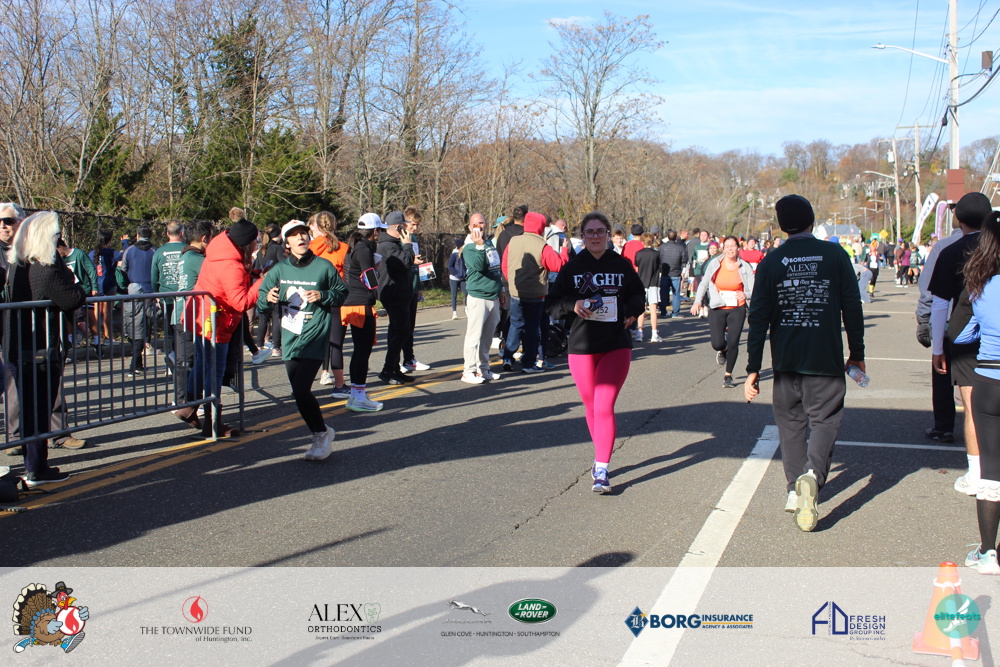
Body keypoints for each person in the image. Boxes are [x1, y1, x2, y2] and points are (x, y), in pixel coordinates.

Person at [744, 195, 865, 532]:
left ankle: (793, 488)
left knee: (790, 424)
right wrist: (857, 352)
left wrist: (753, 368)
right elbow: (852, 307)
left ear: (782, 225)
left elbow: (759, 317)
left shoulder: (772, 261)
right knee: (825, 419)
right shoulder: (835, 255)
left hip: (785, 362)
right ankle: (812, 475)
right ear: (812, 220)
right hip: (824, 358)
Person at [546, 212, 645, 494]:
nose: (595, 237)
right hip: (582, 347)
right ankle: (600, 452)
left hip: (616, 344)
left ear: (608, 234)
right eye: (589, 232)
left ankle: (602, 468)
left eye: (600, 231)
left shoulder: (621, 265)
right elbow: (552, 304)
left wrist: (631, 312)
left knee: (603, 406)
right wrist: (573, 305)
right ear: (582, 236)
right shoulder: (572, 267)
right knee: (591, 407)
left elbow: (638, 295)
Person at [7, 212, 87, 486]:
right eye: (56, 234)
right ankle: (35, 468)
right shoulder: (46, 267)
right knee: (39, 409)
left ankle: (36, 465)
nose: (58, 239)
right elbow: (72, 298)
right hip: (40, 349)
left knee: (33, 409)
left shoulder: (18, 264)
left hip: (20, 347)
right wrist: (70, 277)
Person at [258, 220, 347, 461]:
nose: (300, 238)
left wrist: (323, 295)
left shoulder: (324, 266)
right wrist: (268, 298)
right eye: (294, 235)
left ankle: (320, 435)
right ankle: (323, 431)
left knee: (300, 389)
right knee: (299, 393)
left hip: (315, 334)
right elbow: (261, 302)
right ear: (287, 242)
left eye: (304, 234)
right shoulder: (279, 270)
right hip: (290, 337)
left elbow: (342, 293)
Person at [928, 192, 993, 495]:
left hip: (966, 335)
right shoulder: (996, 247)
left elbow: (940, 304)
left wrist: (938, 348)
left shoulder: (951, 251)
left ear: (959, 220)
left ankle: (977, 473)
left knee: (972, 404)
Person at [182, 217, 264, 438]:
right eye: (256, 241)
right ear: (246, 243)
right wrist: (263, 283)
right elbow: (241, 302)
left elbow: (231, 281)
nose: (257, 245)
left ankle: (188, 406)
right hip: (216, 322)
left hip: (203, 316)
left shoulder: (221, 249)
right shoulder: (231, 264)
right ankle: (212, 422)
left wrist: (254, 275)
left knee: (202, 363)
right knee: (215, 371)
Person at [956, 209, 1000, 574]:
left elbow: (962, 334)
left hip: (989, 380)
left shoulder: (980, 285)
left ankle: (987, 553)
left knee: (991, 470)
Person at [502, 211, 569, 373]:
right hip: (536, 294)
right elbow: (558, 265)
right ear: (540, 227)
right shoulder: (541, 245)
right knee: (532, 329)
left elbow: (505, 264)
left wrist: (511, 282)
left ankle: (508, 357)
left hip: (516, 291)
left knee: (516, 325)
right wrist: (564, 250)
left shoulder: (514, 241)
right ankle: (528, 363)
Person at [916, 226, 963, 444]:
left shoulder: (944, 247)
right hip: (985, 325)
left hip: (947, 321)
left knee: (943, 372)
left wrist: (923, 319)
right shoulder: (993, 243)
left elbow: (929, 289)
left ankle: (944, 427)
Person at [692, 236, 755, 388]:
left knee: (734, 342)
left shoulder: (745, 267)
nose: (730, 249)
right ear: (723, 248)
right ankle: (723, 349)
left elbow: (755, 289)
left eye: (733, 246)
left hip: (737, 308)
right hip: (718, 306)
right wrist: (697, 301)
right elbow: (704, 283)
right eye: (727, 246)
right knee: (717, 343)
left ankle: (728, 375)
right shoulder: (715, 263)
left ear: (738, 248)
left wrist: (745, 294)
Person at [171, 221, 214, 429]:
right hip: (191, 315)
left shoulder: (184, 256)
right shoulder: (198, 259)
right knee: (194, 362)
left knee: (188, 361)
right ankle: (186, 405)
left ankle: (188, 407)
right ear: (205, 239)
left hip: (181, 312)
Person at [340, 213, 384, 412]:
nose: (379, 234)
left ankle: (356, 395)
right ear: (375, 231)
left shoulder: (354, 246)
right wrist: (377, 269)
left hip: (351, 302)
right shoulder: (364, 249)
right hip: (360, 303)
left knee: (359, 351)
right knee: (362, 352)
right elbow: (370, 279)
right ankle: (358, 396)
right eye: (379, 230)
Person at [308, 211, 350, 396]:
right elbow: (347, 276)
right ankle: (339, 385)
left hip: (312, 299)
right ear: (335, 226)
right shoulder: (343, 248)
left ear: (315, 226)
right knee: (335, 344)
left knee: (310, 343)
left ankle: (302, 385)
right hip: (335, 299)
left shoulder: (308, 248)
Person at [461, 213, 503, 384]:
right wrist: (479, 245)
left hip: (493, 296)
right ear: (470, 227)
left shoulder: (488, 244)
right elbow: (478, 265)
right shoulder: (469, 246)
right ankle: (468, 371)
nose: (479, 226)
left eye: (482, 223)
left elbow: (496, 267)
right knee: (474, 336)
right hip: (478, 296)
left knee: (487, 337)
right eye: (475, 224)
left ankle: (483, 368)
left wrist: (501, 290)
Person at [377, 211, 417, 386]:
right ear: (398, 227)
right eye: (404, 225)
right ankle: (387, 369)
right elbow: (405, 262)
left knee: (397, 332)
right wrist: (407, 245)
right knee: (402, 332)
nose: (407, 229)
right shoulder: (387, 246)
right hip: (394, 294)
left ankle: (395, 369)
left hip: (401, 293)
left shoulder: (393, 244)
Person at [117, 225, 157, 377]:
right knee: (146, 324)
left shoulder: (129, 251)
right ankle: (139, 357)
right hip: (150, 292)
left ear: (137, 235)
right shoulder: (154, 251)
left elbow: (123, 269)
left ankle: (137, 361)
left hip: (133, 292)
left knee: (135, 326)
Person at [400, 206, 431, 373]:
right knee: (400, 326)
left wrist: (419, 287)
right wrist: (411, 260)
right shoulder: (400, 237)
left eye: (418, 225)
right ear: (405, 222)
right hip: (402, 287)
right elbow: (400, 260)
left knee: (410, 326)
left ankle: (409, 358)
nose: (415, 228)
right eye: (413, 224)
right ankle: (396, 360)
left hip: (413, 285)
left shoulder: (415, 239)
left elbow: (415, 263)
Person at [151, 220, 185, 358]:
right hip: (185, 295)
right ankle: (183, 358)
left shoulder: (159, 252)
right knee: (184, 328)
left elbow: (154, 276)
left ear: (167, 234)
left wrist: (156, 293)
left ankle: (171, 358)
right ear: (182, 233)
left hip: (166, 295)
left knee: (168, 330)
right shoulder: (187, 249)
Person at [254, 223, 286, 358]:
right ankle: (276, 347)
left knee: (263, 317)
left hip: (263, 285)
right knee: (276, 316)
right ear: (278, 235)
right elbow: (284, 264)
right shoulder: (277, 248)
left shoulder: (261, 250)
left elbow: (256, 269)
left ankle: (259, 345)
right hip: (276, 285)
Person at [634, 233, 662, 342]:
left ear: (642, 241)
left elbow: (637, 267)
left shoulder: (638, 254)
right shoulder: (657, 254)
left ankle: (639, 333)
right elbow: (659, 267)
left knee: (641, 309)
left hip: (641, 283)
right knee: (653, 310)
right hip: (653, 283)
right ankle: (654, 334)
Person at [658, 230, 688, 319]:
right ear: (676, 237)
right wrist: (682, 270)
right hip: (676, 273)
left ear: (667, 237)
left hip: (665, 273)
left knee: (663, 293)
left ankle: (663, 312)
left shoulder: (662, 247)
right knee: (676, 293)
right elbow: (684, 260)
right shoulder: (680, 247)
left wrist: (660, 269)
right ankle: (675, 313)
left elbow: (659, 259)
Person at [447, 237, 468, 320]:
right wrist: (456, 273)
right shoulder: (454, 255)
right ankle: (454, 313)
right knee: (454, 295)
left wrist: (465, 273)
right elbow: (450, 266)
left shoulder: (464, 254)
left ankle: (466, 309)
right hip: (454, 278)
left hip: (463, 278)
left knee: (466, 293)